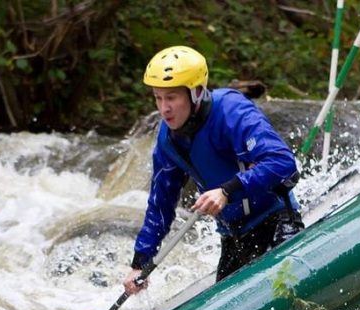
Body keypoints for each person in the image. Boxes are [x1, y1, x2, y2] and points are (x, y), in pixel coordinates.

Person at [124, 46, 304, 295]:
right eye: (158, 97)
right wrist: (139, 262)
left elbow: (281, 161)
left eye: (172, 98)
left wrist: (227, 191)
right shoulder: (167, 140)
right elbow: (160, 205)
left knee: (285, 292)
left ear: (196, 93)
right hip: (234, 236)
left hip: (275, 219)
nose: (164, 108)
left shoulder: (232, 110)